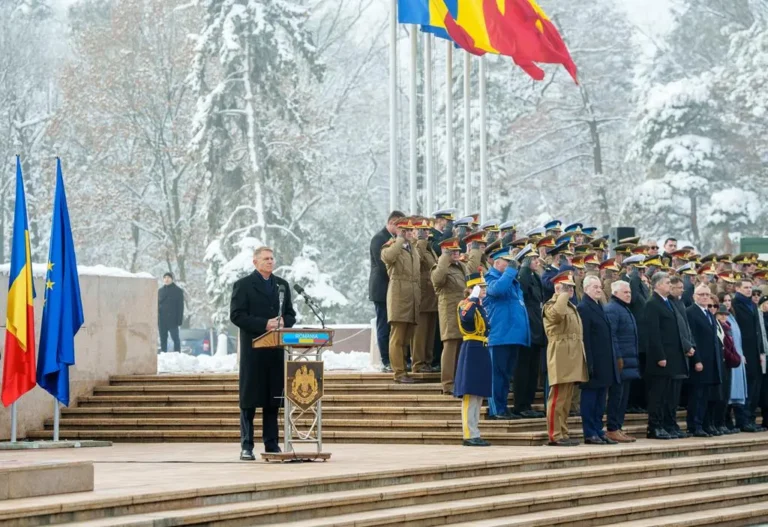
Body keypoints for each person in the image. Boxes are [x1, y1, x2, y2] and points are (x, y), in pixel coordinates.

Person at [230, 246, 297, 460]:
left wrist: (284, 321)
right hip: (254, 350)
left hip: (276, 351)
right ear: (255, 262)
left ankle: (271, 444)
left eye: (272, 258)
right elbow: (237, 315)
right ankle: (247, 445)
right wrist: (264, 324)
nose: (270, 261)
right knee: (249, 400)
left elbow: (290, 313)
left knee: (272, 399)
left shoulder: (281, 285)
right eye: (266, 258)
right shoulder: (243, 285)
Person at [484, 246, 531, 420]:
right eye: (507, 262)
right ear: (497, 263)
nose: (511, 265)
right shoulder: (489, 278)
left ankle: (502, 407)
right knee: (497, 375)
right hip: (499, 335)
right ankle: (496, 409)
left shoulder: (511, 281)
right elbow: (497, 290)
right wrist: (511, 271)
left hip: (513, 335)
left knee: (506, 375)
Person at [543, 271, 588, 446]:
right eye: (567, 287)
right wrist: (561, 294)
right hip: (560, 354)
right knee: (557, 398)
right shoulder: (551, 305)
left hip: (572, 354)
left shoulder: (570, 306)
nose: (571, 290)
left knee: (567, 398)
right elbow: (556, 316)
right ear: (558, 288)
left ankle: (563, 432)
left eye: (571, 287)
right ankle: (555, 434)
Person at [644, 272, 690, 440]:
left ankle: (666, 425)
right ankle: (654, 427)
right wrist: (660, 356)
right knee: (658, 395)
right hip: (661, 358)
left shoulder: (668, 302)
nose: (670, 285)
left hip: (672, 357)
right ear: (657, 285)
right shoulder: (652, 303)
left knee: (668, 395)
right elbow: (653, 333)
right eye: (667, 283)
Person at [577, 275, 619, 444]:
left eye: (600, 287)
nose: (599, 290)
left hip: (604, 361)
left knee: (601, 399)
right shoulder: (584, 308)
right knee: (590, 398)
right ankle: (589, 432)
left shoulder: (599, 305)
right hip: (593, 361)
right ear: (586, 288)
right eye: (595, 287)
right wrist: (589, 363)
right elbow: (585, 338)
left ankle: (597, 429)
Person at [381, 217, 422, 384]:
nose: (409, 233)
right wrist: (398, 238)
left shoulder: (413, 248)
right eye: (405, 230)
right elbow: (388, 258)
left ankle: (404, 369)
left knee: (407, 338)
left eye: (410, 230)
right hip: (398, 297)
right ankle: (399, 372)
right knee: (397, 337)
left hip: (412, 297)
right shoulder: (390, 246)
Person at [454, 273, 492, 446]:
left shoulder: (479, 306)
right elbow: (467, 318)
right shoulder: (465, 304)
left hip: (481, 349)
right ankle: (469, 434)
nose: (483, 289)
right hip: (471, 349)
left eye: (483, 287)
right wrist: (473, 298)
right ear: (471, 289)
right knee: (470, 395)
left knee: (478, 394)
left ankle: (475, 431)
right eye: (480, 287)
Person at [604, 280, 640, 443]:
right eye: (625, 292)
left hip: (629, 360)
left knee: (623, 397)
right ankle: (612, 428)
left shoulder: (624, 308)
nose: (629, 295)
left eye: (630, 292)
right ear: (615, 293)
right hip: (620, 361)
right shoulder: (613, 309)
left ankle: (617, 427)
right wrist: (618, 357)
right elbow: (612, 336)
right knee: (616, 396)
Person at [368, 211, 405, 371]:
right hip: (382, 289)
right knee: (384, 325)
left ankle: (396, 358)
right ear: (392, 223)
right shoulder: (379, 239)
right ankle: (386, 360)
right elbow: (383, 265)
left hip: (394, 289)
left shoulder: (395, 239)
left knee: (393, 326)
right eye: (399, 225)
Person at [685, 285, 723, 437]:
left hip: (711, 361)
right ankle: (694, 425)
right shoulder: (690, 312)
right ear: (694, 296)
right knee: (697, 395)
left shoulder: (708, 313)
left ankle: (704, 423)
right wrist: (697, 360)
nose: (705, 297)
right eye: (701, 294)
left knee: (706, 395)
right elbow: (692, 338)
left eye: (707, 294)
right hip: (700, 361)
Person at [431, 237, 468, 394]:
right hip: (449, 311)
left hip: (463, 310)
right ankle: (447, 383)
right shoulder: (440, 267)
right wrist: (444, 259)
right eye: (452, 251)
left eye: (457, 251)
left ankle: (459, 381)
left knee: (461, 346)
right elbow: (437, 280)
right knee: (450, 345)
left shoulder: (461, 267)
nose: (456, 253)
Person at [515, 246, 546, 418]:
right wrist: (525, 268)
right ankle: (521, 405)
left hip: (536, 328)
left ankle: (528, 403)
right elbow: (523, 289)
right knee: (523, 369)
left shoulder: (535, 277)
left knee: (533, 370)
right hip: (526, 329)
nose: (537, 262)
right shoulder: (523, 275)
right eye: (533, 259)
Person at [732, 279, 767, 431]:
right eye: (745, 287)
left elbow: (759, 331)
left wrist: (762, 352)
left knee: (755, 387)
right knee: (746, 387)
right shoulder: (735, 305)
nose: (749, 290)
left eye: (750, 287)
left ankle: (751, 419)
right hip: (744, 352)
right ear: (737, 288)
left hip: (757, 353)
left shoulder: (752, 305)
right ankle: (743, 420)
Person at [412, 218, 438, 373]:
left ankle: (427, 361)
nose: (425, 233)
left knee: (429, 332)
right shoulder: (414, 246)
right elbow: (417, 260)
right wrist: (421, 241)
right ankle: (418, 363)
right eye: (421, 230)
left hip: (431, 295)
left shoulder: (428, 247)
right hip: (421, 296)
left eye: (427, 230)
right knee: (420, 333)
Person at [714, 303, 740, 434]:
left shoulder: (727, 327)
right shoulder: (717, 327)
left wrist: (735, 357)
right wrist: (735, 358)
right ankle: (718, 423)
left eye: (725, 314)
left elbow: (731, 345)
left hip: (729, 364)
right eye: (721, 314)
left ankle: (722, 423)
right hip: (723, 363)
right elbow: (724, 348)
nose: (724, 317)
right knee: (720, 395)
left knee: (726, 395)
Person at [158, 272, 184, 353]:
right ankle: (163, 354)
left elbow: (180, 307)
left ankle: (177, 354)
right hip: (162, 320)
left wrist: (179, 320)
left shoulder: (178, 291)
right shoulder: (160, 291)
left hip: (173, 320)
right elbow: (157, 305)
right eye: (165, 277)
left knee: (175, 338)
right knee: (163, 339)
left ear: (172, 279)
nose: (166, 279)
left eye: (168, 277)